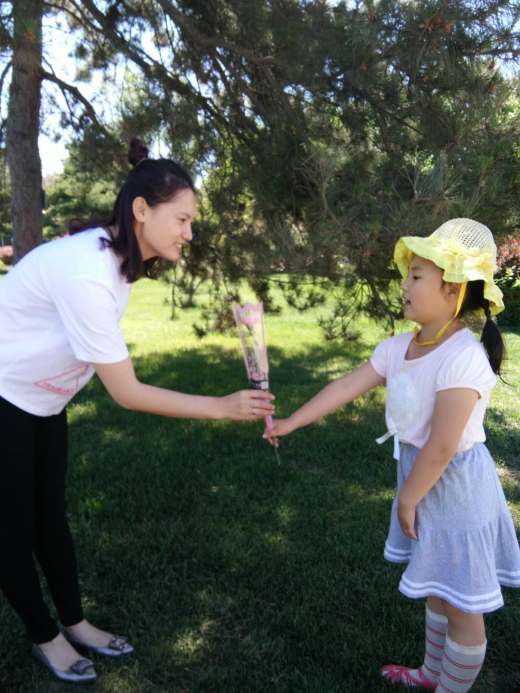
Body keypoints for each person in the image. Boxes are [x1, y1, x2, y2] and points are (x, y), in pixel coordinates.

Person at [0, 139, 275, 684]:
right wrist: (220, 406)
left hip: (43, 403)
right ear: (141, 211)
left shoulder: (118, 261)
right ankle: (45, 636)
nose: (189, 234)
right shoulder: (87, 271)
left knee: (50, 518)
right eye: (182, 219)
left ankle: (75, 622)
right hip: (3, 397)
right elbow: (127, 392)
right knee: (10, 528)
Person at [264, 218, 520, 691]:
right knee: (436, 591)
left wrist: (407, 499)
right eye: (407, 275)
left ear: (454, 289)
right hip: (423, 482)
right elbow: (345, 385)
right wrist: (292, 421)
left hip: (458, 492)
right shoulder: (399, 347)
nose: (404, 285)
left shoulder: (463, 356)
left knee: (463, 604)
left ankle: (450, 687)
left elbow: (444, 444)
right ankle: (429, 673)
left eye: (417, 276)